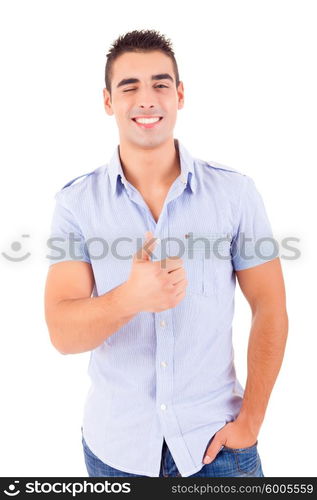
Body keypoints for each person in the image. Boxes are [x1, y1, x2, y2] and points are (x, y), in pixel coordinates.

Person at [44, 29, 288, 477]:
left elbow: (270, 306)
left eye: (160, 84)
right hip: (116, 453)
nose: (147, 99)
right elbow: (62, 333)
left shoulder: (235, 194)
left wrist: (251, 420)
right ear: (107, 101)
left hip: (218, 447)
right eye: (129, 86)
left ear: (179, 95)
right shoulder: (76, 204)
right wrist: (129, 298)